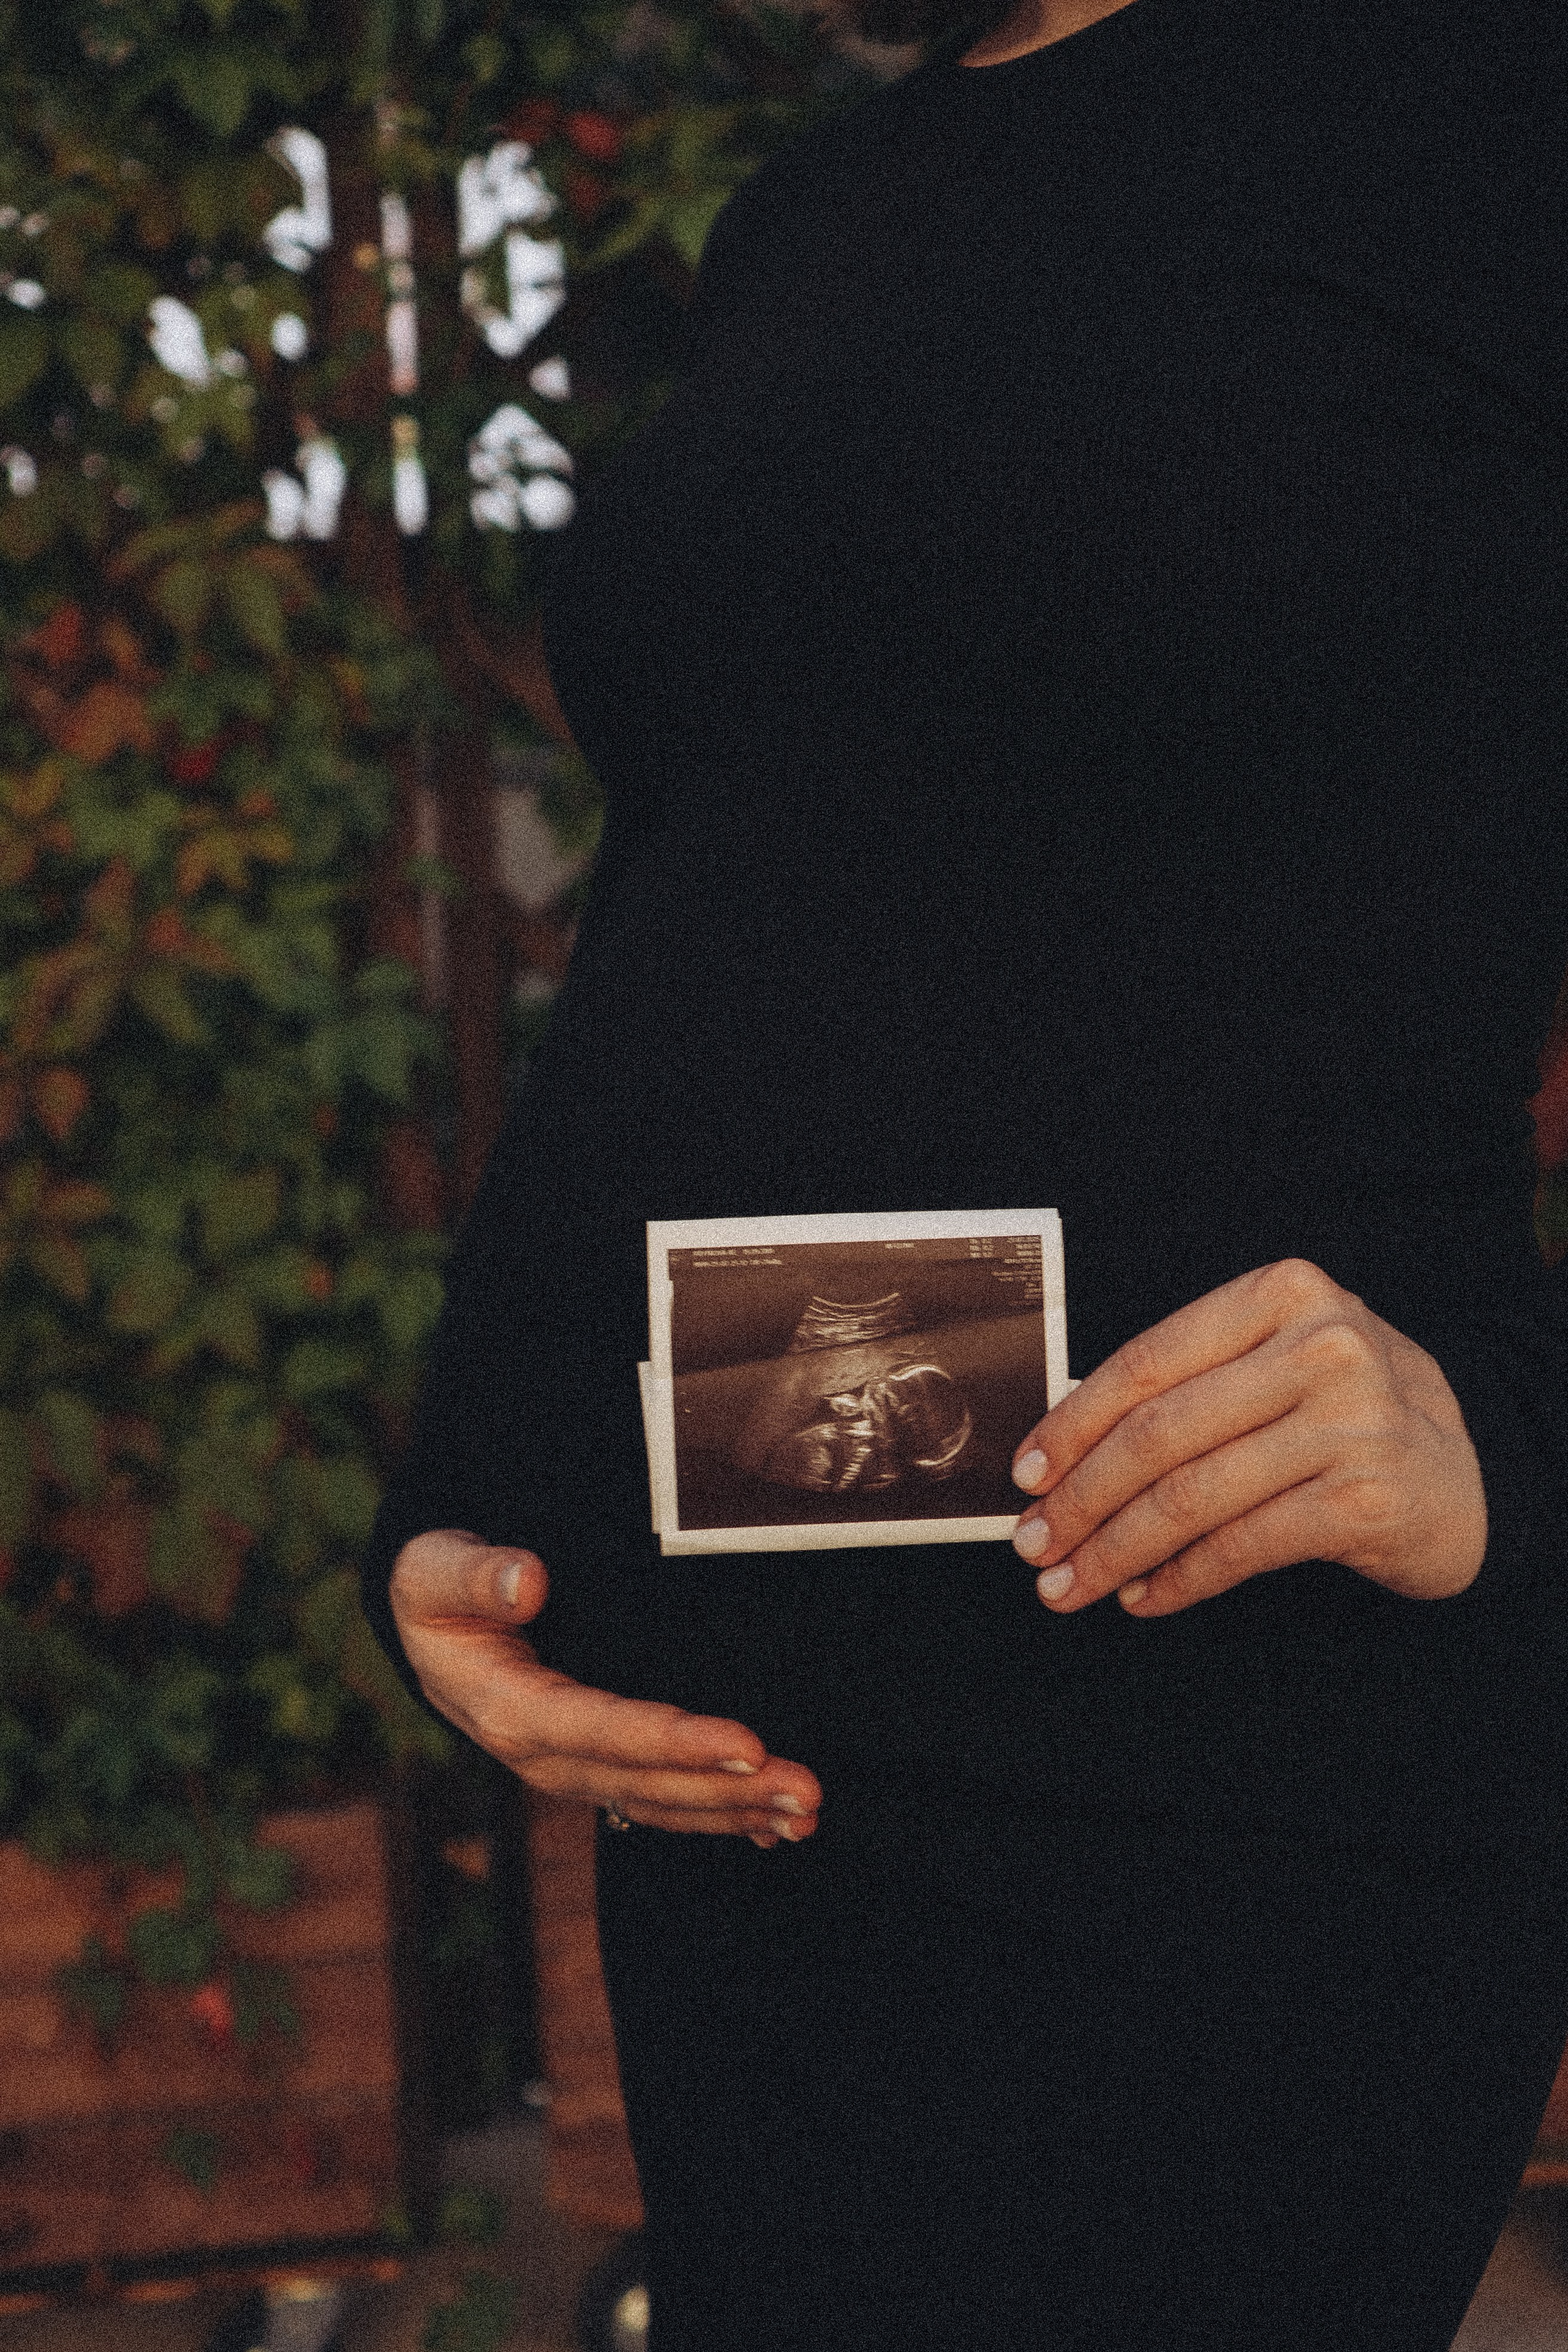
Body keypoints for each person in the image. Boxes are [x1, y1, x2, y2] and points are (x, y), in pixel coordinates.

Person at [359, 0, 1568, 2340]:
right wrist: (464, 1514)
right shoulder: (818, 215)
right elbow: (710, 901)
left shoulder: (1495, 109)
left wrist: (1513, 1424)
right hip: (767, 1795)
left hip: (1232, 1776)